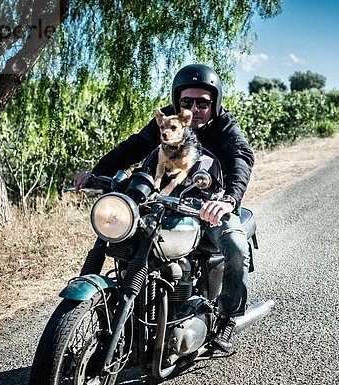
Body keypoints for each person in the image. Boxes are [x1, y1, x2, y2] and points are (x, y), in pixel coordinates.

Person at [73, 64, 254, 352]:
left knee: (235, 245)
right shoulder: (168, 123)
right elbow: (134, 146)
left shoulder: (225, 127)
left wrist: (228, 199)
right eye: (187, 102)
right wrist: (96, 173)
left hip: (207, 206)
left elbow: (240, 157)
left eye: (203, 103)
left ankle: (228, 317)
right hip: (163, 202)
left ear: (214, 103)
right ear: (177, 100)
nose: (194, 108)